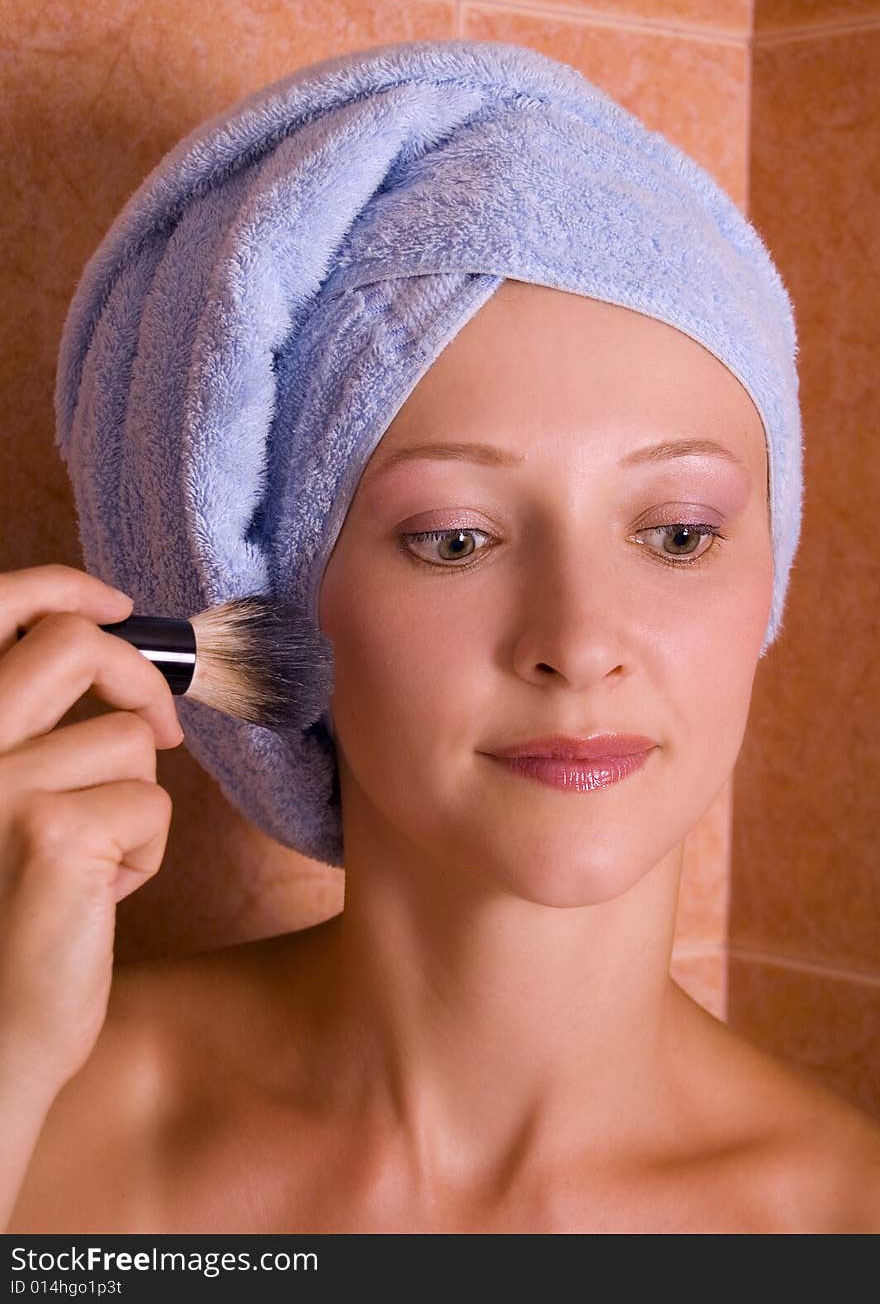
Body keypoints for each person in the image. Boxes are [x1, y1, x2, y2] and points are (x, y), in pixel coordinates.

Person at [4, 279, 880, 1234]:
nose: (580, 643)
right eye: (455, 540)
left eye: (678, 535)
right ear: (266, 593)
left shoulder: (843, 1224)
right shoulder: (48, 1117)